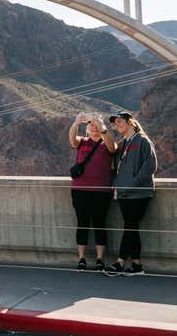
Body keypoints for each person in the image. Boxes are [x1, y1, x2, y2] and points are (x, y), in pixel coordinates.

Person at [105, 111, 157, 276]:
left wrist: (131, 185)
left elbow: (150, 167)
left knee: (130, 226)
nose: (117, 125)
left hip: (139, 194)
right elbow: (116, 166)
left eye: (120, 121)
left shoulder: (142, 141)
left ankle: (120, 262)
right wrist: (118, 185)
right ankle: (137, 265)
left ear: (130, 122)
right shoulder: (123, 144)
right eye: (115, 123)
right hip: (124, 194)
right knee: (131, 227)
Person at [68, 112, 116, 271]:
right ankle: (81, 258)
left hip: (101, 191)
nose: (94, 128)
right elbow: (72, 140)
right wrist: (76, 123)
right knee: (82, 223)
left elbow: (112, 147)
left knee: (99, 223)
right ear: (87, 128)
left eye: (97, 125)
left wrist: (102, 127)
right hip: (80, 190)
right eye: (91, 125)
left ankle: (100, 259)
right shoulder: (82, 142)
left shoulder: (107, 143)